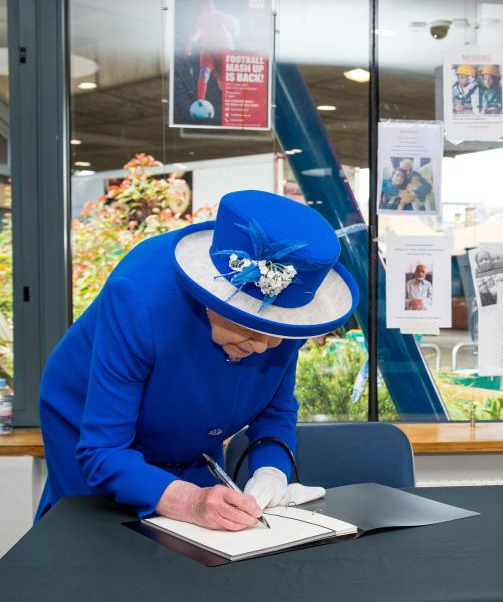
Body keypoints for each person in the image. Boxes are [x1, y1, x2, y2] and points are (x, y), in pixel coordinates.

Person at [36, 190, 359, 528]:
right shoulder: (138, 299)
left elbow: (275, 408)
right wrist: (190, 501)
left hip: (191, 435)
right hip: (92, 429)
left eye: (274, 332)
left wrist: (270, 470)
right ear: (212, 295)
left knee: (205, 545)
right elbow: (103, 451)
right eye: (252, 327)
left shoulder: (291, 311)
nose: (264, 346)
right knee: (102, 547)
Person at [184, 0, 240, 115]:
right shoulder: (200, 19)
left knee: (222, 84)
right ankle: (200, 103)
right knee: (203, 74)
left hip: (224, 51)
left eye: (209, 8)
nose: (206, 10)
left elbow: (234, 21)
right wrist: (190, 43)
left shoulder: (221, 16)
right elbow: (196, 32)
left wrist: (235, 30)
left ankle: (230, 106)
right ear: (201, 9)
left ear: (212, 7)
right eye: (204, 8)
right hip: (208, 51)